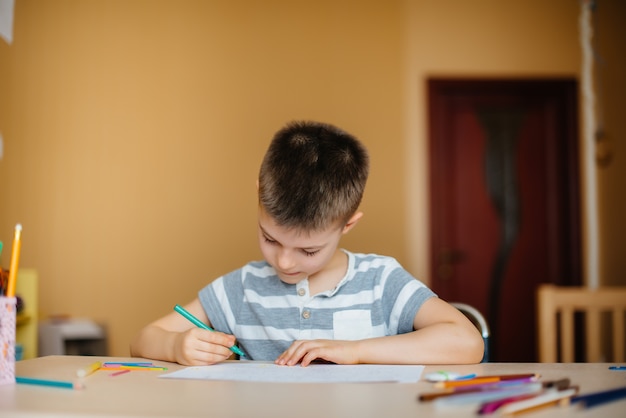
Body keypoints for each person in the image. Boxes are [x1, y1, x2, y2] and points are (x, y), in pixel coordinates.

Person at [130, 121, 484, 366]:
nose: (284, 262)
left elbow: (468, 343)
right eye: (270, 238)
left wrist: (357, 351)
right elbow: (144, 338)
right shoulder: (240, 290)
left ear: (348, 224)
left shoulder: (381, 281)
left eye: (309, 250)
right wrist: (176, 345)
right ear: (259, 197)